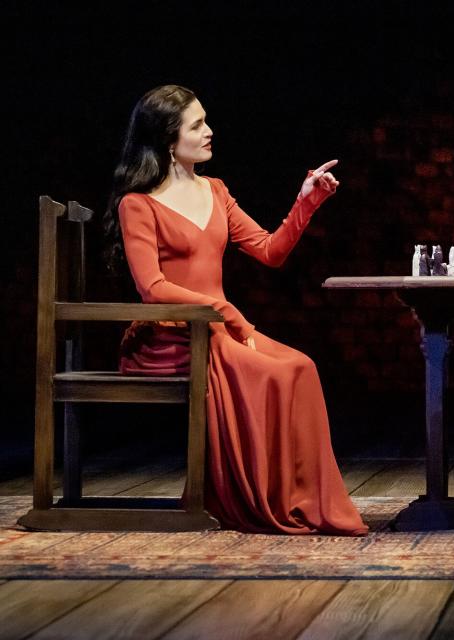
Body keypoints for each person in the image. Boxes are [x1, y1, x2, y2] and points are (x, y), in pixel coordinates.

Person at [104, 85, 368, 535]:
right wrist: (222, 310)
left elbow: (270, 251)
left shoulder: (216, 190)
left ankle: (297, 497)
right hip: (172, 334)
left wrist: (307, 201)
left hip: (220, 328)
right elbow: (152, 288)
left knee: (300, 366)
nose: (210, 132)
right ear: (169, 139)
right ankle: (250, 498)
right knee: (274, 374)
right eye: (197, 125)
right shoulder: (138, 204)